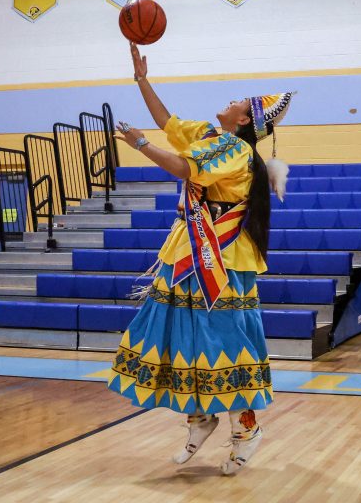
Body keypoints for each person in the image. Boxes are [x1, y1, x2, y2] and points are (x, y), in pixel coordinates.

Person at [108, 42, 293, 475]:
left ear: (244, 120)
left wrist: (140, 145)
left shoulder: (234, 151)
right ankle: (200, 416)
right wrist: (141, 78)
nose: (227, 102)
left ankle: (246, 427)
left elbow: (186, 170)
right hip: (188, 250)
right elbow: (167, 121)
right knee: (178, 338)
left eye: (236, 102)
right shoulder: (209, 136)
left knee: (224, 343)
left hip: (221, 257)